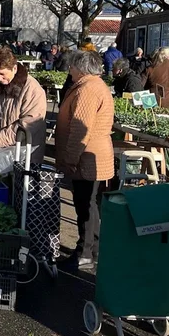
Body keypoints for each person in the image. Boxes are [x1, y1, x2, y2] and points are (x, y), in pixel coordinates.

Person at [54, 50, 114, 270]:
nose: (69, 70)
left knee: (85, 205)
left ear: (80, 68)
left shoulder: (88, 89)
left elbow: (80, 128)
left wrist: (70, 158)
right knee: (89, 204)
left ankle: (85, 253)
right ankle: (92, 250)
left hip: (86, 157)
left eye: (71, 66)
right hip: (91, 154)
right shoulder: (94, 85)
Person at [0, 48, 47, 165]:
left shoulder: (32, 88)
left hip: (25, 153)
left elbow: (29, 123)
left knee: (21, 182)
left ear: (14, 69)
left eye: (2, 74)